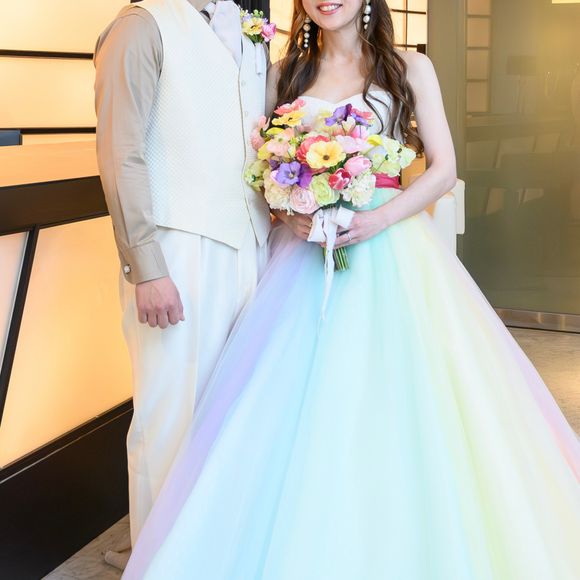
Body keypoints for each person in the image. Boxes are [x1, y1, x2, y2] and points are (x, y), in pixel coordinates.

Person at [124, 1, 580, 578]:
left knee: (412, 393)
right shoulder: (284, 73)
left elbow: (443, 168)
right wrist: (288, 210)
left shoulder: (408, 67)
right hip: (303, 257)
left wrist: (377, 219)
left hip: (391, 246)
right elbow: (259, 167)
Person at [94, 0, 271, 565]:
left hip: (253, 247)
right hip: (178, 253)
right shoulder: (140, 27)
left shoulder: (249, 29)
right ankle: (158, 560)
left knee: (233, 414)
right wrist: (147, 266)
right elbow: (120, 155)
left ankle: (213, 555)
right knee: (168, 418)